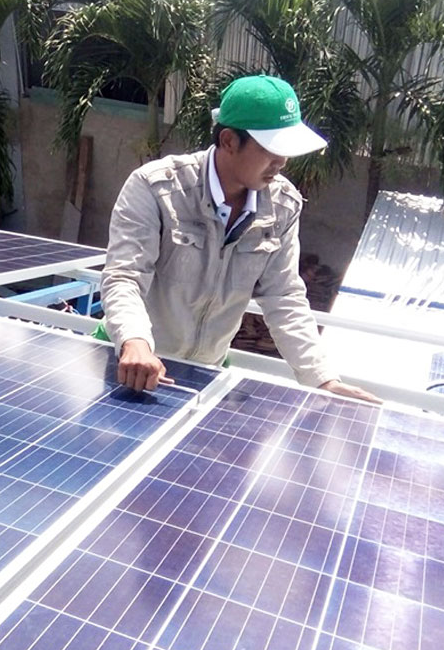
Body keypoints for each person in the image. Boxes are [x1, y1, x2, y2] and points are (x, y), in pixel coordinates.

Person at [99, 74, 380, 403]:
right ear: (230, 141)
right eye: (272, 149)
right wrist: (134, 341)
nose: (282, 162)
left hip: (205, 370)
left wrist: (323, 380)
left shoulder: (282, 205)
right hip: (126, 362)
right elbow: (125, 276)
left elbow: (284, 296)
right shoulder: (156, 187)